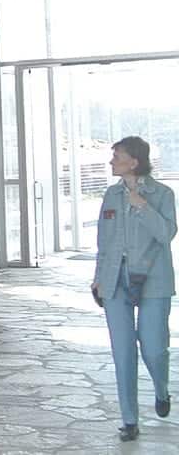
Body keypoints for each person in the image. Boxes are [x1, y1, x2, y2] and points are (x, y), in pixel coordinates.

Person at [92, 136, 176, 442]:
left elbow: (166, 233)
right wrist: (98, 276)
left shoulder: (163, 194)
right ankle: (129, 419)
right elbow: (104, 240)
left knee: (153, 348)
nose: (112, 161)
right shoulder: (111, 195)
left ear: (134, 162)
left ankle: (161, 389)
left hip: (154, 280)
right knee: (123, 351)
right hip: (115, 280)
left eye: (117, 156)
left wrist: (141, 205)